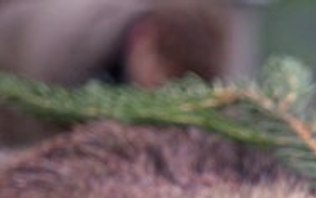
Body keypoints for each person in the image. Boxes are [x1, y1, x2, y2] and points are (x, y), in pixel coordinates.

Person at [0, 0, 231, 146]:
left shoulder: (141, 30)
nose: (165, 101)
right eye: (164, 85)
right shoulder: (67, 58)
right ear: (145, 40)